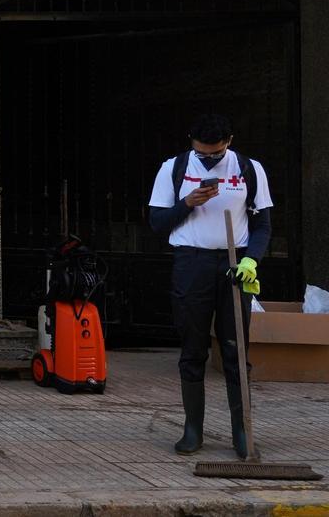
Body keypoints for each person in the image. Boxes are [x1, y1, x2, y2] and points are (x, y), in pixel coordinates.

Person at [148, 114, 273, 459]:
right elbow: (157, 222)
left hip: (235, 262)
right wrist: (188, 203)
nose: (210, 161)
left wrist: (252, 260)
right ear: (191, 142)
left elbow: (262, 225)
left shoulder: (249, 168)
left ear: (229, 142)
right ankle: (192, 430)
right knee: (193, 348)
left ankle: (242, 432)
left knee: (236, 350)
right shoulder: (173, 168)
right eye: (203, 155)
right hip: (192, 262)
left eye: (216, 155)